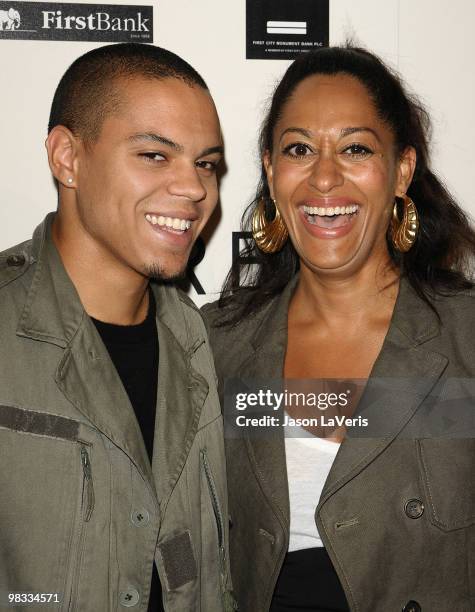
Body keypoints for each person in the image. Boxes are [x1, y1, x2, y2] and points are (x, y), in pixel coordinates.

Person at [203, 46, 475, 611]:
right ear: (273, 172)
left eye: (355, 148)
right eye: (299, 149)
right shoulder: (212, 343)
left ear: (401, 171)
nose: (325, 177)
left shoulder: (466, 336)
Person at [0, 43, 236, 612]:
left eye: (206, 163)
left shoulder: (197, 338)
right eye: (156, 155)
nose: (195, 188)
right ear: (67, 157)